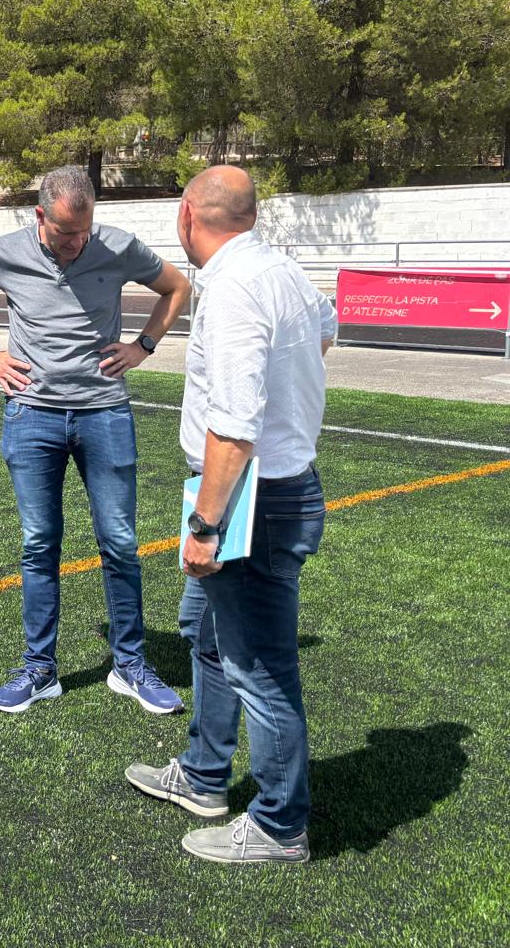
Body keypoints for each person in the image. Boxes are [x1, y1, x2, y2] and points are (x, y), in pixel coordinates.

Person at [125, 165, 335, 864]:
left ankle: (280, 826)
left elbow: (236, 425)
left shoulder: (236, 287)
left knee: (260, 666)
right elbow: (325, 333)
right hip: (271, 486)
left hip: (254, 498)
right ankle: (206, 775)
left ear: (189, 214)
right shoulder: (281, 271)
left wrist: (206, 526)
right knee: (204, 631)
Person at [0, 165, 193, 715]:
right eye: (65, 234)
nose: (76, 243)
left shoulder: (117, 246)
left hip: (104, 413)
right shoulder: (8, 252)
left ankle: (129, 665)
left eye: (83, 232)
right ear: (40, 216)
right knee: (39, 544)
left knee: (121, 541)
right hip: (32, 415)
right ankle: (40, 669)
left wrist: (143, 346)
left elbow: (178, 287)